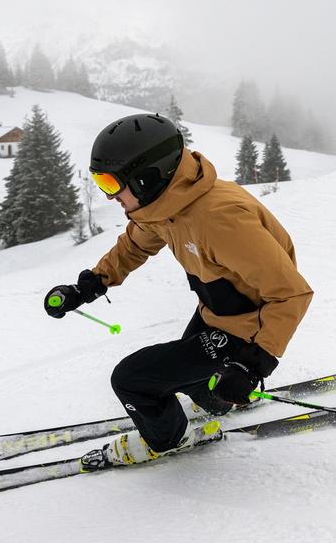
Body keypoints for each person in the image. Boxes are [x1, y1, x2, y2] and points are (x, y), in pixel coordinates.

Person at [44, 113, 312, 470]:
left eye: (110, 183)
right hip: (216, 310)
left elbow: (291, 294)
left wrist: (252, 364)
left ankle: (168, 439)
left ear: (145, 177)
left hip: (246, 327)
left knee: (132, 380)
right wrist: (89, 285)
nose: (109, 196)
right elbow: (134, 246)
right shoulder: (165, 205)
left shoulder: (220, 219)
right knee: (195, 378)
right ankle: (217, 400)